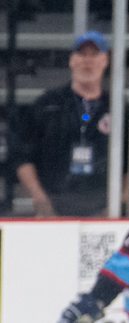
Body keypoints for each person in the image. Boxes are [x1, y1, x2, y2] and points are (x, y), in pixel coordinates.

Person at [14, 32, 115, 219]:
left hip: (104, 211)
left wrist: (120, 202)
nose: (87, 61)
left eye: (94, 55)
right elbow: (23, 156)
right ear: (71, 60)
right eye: (82, 54)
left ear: (104, 61)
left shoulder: (118, 109)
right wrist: (40, 199)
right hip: (54, 209)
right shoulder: (47, 105)